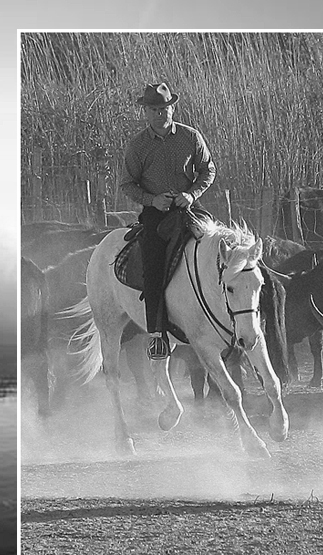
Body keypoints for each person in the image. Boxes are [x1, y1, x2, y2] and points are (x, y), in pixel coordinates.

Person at [118, 82, 216, 360]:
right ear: (146, 112)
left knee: (219, 250)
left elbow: (208, 170)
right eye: (154, 109)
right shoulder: (137, 146)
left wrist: (191, 193)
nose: (160, 113)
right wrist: (152, 200)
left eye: (165, 108)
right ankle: (157, 334)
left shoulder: (190, 137)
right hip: (156, 213)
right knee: (152, 265)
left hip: (188, 208)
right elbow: (127, 184)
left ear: (173, 108)